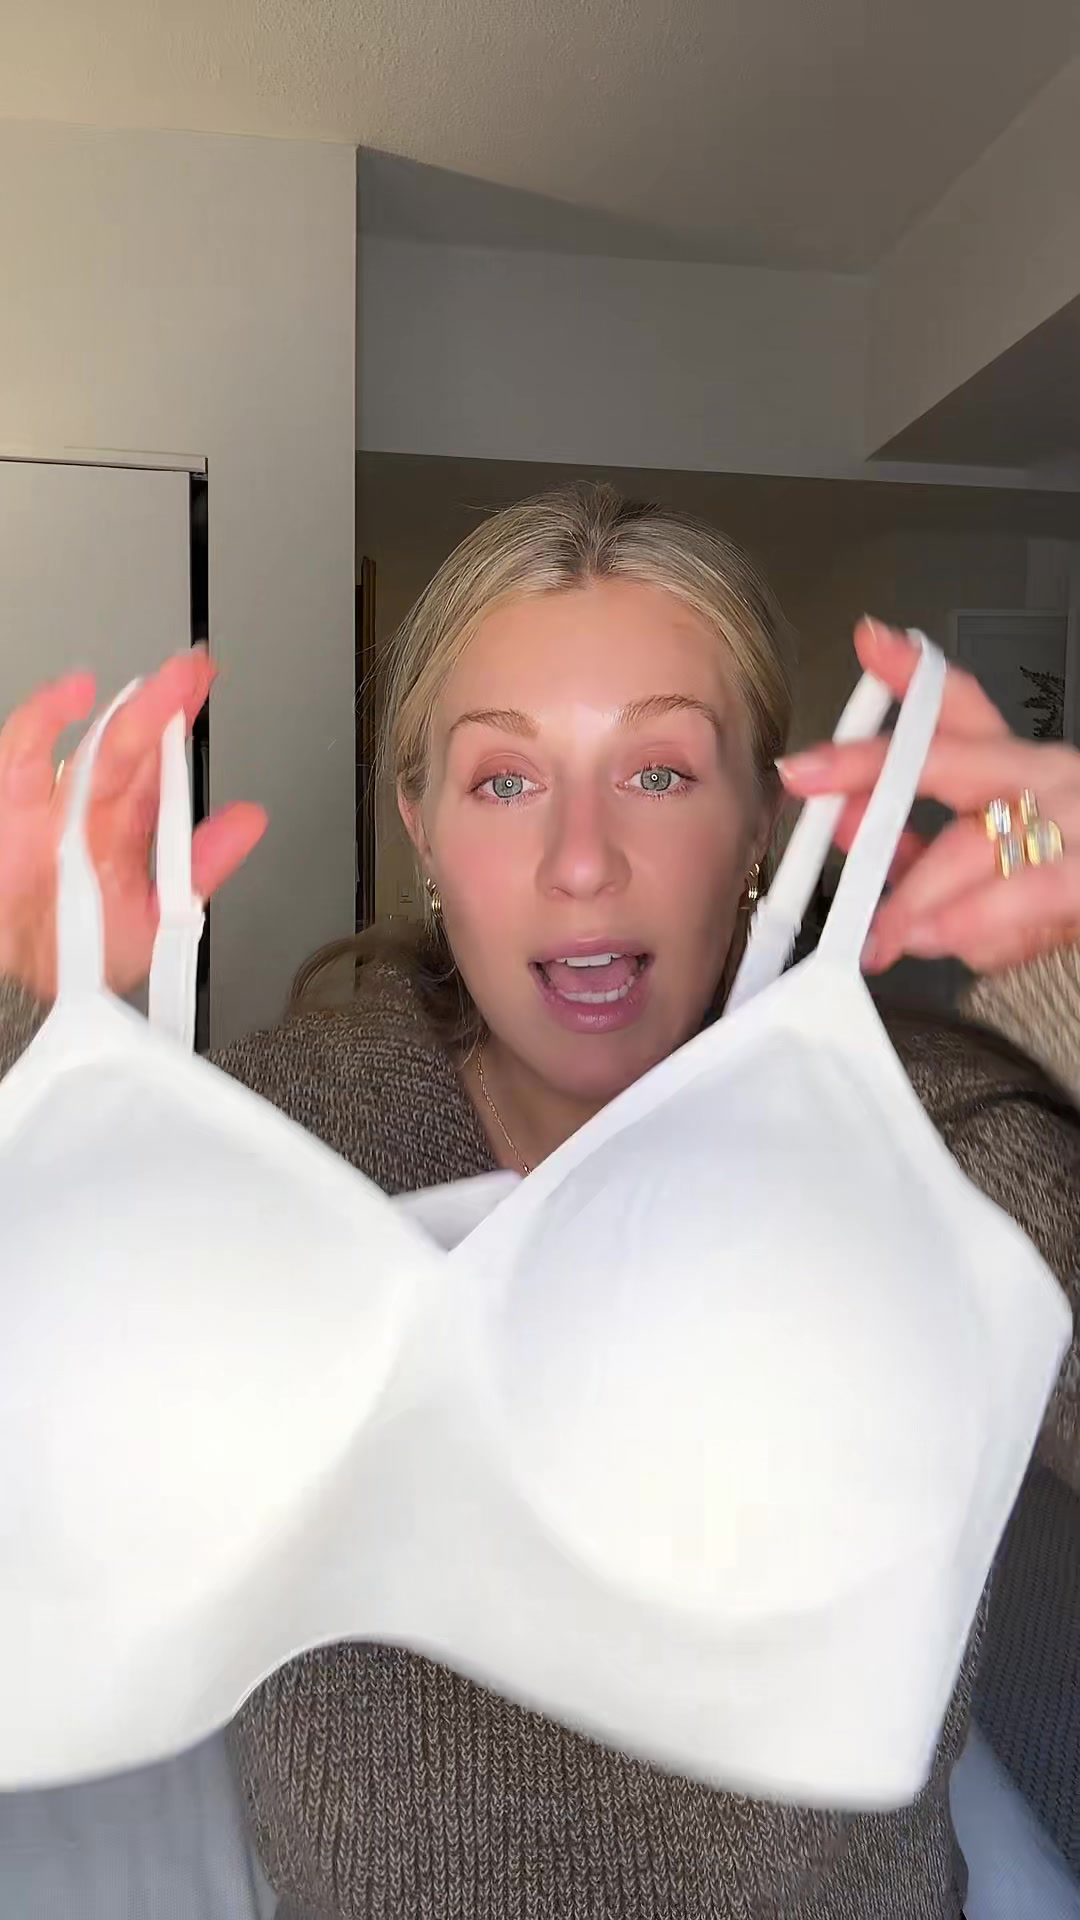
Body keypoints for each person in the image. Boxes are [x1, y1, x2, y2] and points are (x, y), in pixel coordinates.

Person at [0, 482, 1077, 1919]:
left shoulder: (931, 1141)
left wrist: (1076, 979)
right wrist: (21, 1031)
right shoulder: (275, 1126)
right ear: (422, 827)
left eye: (661, 773)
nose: (582, 861)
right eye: (506, 782)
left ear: (762, 821)